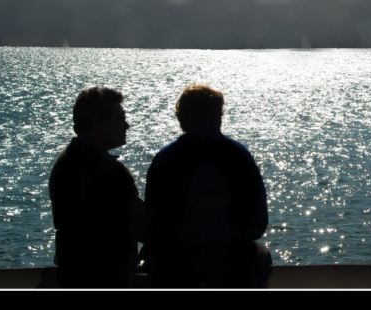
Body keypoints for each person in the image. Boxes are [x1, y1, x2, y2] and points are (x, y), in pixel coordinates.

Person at [145, 84, 271, 288]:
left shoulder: (165, 158)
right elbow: (258, 222)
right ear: (217, 117)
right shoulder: (239, 156)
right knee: (260, 254)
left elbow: (153, 220)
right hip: (229, 260)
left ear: (182, 118)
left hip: (176, 263)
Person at [49, 86, 145, 288]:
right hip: (106, 277)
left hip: (72, 274)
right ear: (98, 122)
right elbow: (142, 227)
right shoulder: (109, 171)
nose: (126, 125)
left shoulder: (65, 162)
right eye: (120, 118)